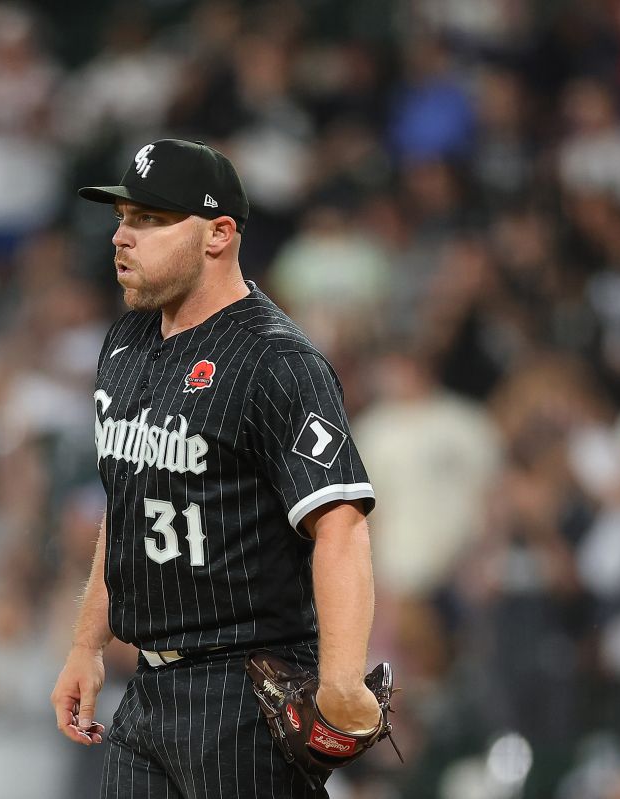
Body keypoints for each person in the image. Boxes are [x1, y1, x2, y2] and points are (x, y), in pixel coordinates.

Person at [50, 139, 381, 798]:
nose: (122, 237)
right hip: (146, 690)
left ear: (218, 234)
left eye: (149, 219)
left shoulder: (276, 360)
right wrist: (87, 643)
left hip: (246, 690)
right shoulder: (125, 342)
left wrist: (343, 677)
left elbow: (339, 522)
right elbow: (127, 500)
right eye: (122, 218)